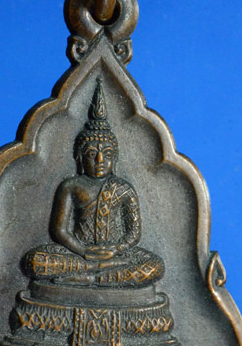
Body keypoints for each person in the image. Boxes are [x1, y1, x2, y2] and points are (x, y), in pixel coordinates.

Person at [24, 78, 164, 287]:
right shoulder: (71, 186)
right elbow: (60, 230)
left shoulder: (123, 189)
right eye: (91, 154)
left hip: (115, 254)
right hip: (78, 253)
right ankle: (98, 271)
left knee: (155, 266)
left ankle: (90, 278)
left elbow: (133, 233)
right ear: (80, 158)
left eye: (106, 154)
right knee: (34, 261)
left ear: (114, 158)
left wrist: (116, 249)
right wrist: (83, 250)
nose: (99, 160)